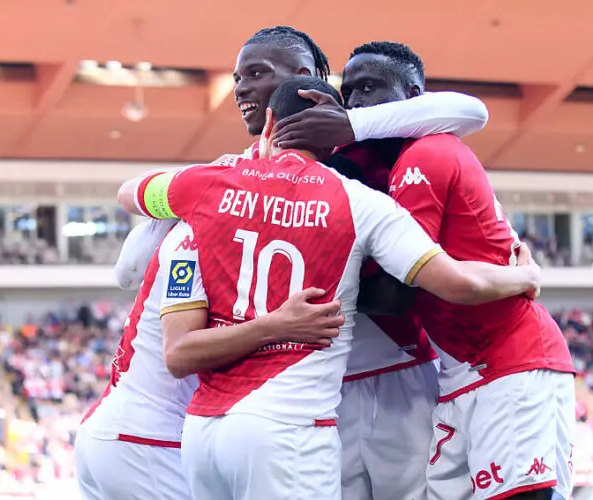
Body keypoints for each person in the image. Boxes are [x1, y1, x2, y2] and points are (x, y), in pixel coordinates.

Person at [117, 75, 541, 500]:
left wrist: (184, 197)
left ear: (268, 123)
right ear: (336, 140)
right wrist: (525, 276)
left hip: (204, 436)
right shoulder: (363, 204)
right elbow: (458, 283)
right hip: (289, 430)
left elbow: (131, 194)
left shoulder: (208, 183)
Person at [333, 42, 574, 500]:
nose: (357, 102)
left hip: (508, 361)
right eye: (349, 92)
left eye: (369, 87)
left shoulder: (424, 156)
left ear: (414, 94)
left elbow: (400, 288)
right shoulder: (395, 162)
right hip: (462, 371)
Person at [75, 219, 342, 500]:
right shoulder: (194, 238)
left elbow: (125, 273)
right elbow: (179, 354)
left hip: (115, 433)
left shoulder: (189, 219)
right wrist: (277, 327)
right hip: (147, 442)